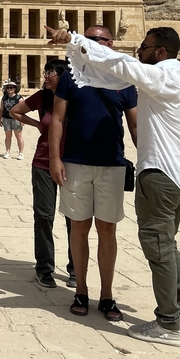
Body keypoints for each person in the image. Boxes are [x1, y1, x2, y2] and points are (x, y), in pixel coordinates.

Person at [46, 25, 180, 347]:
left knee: (159, 251)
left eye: (145, 46)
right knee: (169, 246)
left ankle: (168, 323)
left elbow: (120, 65)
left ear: (161, 53)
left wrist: (73, 39)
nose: (139, 50)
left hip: (159, 175)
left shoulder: (158, 78)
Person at [48, 25, 137, 323]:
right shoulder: (73, 75)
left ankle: (108, 294)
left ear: (109, 44)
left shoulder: (124, 80)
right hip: (75, 162)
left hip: (112, 163)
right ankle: (82, 290)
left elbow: (135, 126)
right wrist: (55, 158)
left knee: (108, 230)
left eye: (93, 40)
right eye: (83, 40)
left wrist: (151, 160)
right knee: (79, 228)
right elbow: (57, 120)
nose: (86, 45)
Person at [10, 58, 75, 288]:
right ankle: (44, 268)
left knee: (74, 218)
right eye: (45, 71)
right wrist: (37, 125)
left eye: (51, 72)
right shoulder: (43, 97)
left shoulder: (75, 97)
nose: (46, 76)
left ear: (64, 76)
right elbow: (15, 111)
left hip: (72, 164)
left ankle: (75, 268)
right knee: (44, 216)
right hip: (43, 163)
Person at [0, 81, 25, 160]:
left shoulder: (19, 98)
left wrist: (23, 120)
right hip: (6, 119)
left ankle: (21, 153)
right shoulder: (4, 98)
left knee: (19, 136)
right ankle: (7, 152)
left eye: (11, 88)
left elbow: (23, 110)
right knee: (8, 136)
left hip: (16, 119)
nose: (9, 89)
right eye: (8, 88)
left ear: (15, 89)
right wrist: (0, 119)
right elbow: (1, 109)